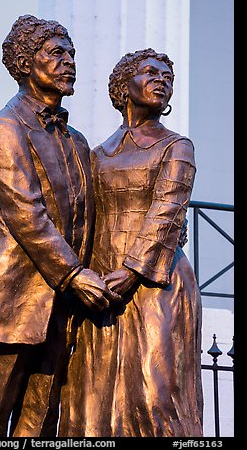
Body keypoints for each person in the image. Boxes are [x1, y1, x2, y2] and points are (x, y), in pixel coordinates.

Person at [0, 14, 120, 438]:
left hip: (63, 306)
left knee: (41, 423)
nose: (69, 62)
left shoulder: (78, 141)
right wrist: (74, 274)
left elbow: (96, 214)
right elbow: (27, 215)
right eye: (56, 53)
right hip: (10, 300)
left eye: (72, 54)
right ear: (27, 63)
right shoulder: (5, 129)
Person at [58, 48, 204, 437]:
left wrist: (132, 270)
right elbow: (83, 219)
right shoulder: (94, 154)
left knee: (155, 395)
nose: (162, 80)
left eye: (168, 78)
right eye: (151, 73)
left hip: (157, 283)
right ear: (124, 86)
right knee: (91, 397)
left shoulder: (177, 147)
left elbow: (168, 211)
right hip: (102, 286)